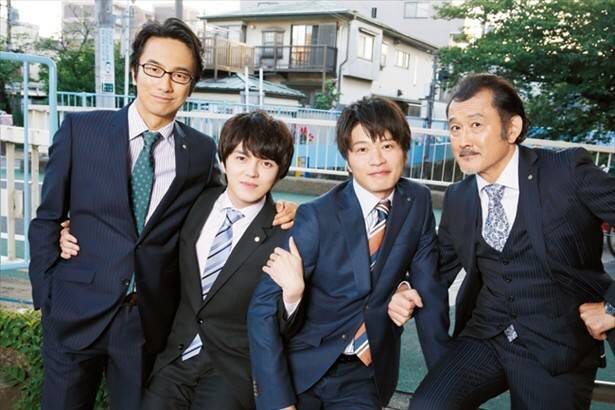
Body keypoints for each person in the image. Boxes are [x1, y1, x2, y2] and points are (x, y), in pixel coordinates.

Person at [30, 18, 294, 410]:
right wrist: (48, 297)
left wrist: (282, 209)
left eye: (179, 75)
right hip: (75, 308)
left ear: (191, 84)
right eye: (154, 69)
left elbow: (232, 197)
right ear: (134, 71)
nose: (165, 84)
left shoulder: (200, 152)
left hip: (144, 323)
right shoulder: (81, 130)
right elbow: (47, 218)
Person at [409, 73, 615, 410]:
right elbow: (436, 271)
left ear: (513, 128)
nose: (463, 140)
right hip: (485, 335)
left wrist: (611, 306)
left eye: (476, 125)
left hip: (557, 344)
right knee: (428, 406)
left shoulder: (565, 172)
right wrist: (405, 289)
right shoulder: (459, 197)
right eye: (455, 128)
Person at [248, 96, 450, 410]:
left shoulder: (417, 201)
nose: (377, 160)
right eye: (363, 149)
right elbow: (262, 309)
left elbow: (430, 287)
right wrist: (278, 402)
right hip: (303, 367)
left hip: (364, 373)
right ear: (348, 160)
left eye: (387, 145)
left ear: (404, 150)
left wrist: (446, 381)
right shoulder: (316, 217)